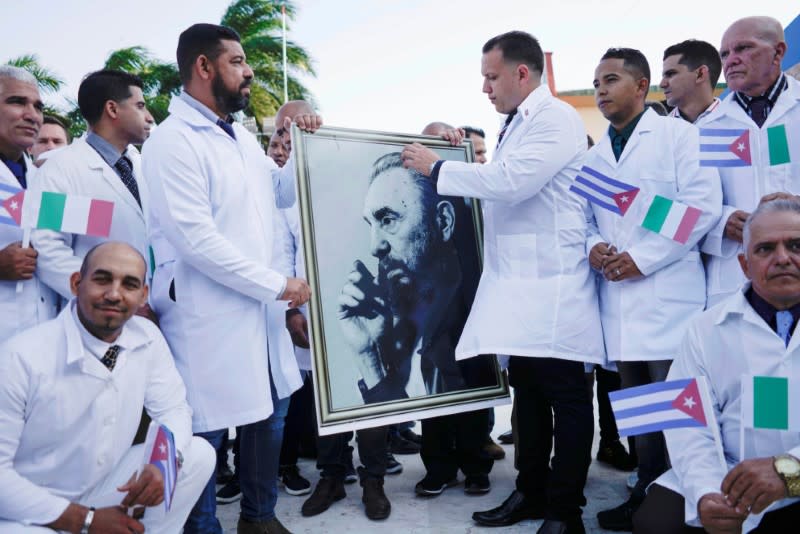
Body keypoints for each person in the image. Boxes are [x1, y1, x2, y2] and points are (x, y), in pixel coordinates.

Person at [402, 30, 605, 534]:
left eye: (492, 77)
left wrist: (438, 168)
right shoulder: (515, 124)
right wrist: (456, 158)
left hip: (554, 287)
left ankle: (564, 511)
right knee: (530, 400)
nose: (486, 89)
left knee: (568, 403)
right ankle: (530, 492)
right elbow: (500, 178)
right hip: (520, 289)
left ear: (522, 73)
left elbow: (512, 182)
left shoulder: (554, 118)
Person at [141, 23, 320, 534]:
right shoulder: (172, 142)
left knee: (271, 416)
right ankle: (200, 529)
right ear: (204, 67)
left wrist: (304, 145)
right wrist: (277, 285)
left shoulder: (238, 136)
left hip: (257, 312)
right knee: (207, 432)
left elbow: (280, 195)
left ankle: (259, 519)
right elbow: (196, 240)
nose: (248, 72)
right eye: (239, 62)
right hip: (209, 314)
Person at [585, 47, 721, 531]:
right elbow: (587, 218)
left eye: (612, 79)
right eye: (597, 81)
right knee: (639, 411)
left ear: (641, 86)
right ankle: (646, 491)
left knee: (679, 411)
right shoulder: (598, 155)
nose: (601, 89)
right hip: (619, 300)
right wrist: (595, 246)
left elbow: (702, 208)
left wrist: (642, 258)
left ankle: (681, 499)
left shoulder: (678, 136)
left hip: (667, 297)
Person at [0, 241, 215, 533]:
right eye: (102, 279)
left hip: (99, 488)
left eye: (129, 284)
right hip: (26, 509)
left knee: (197, 455)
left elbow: (174, 409)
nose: (114, 294)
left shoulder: (147, 336)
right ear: (76, 283)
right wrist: (86, 521)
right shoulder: (20, 357)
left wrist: (162, 461)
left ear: (143, 296)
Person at [635, 198, 800, 533]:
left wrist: (788, 471)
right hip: (732, 474)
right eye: (765, 249)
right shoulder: (705, 329)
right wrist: (708, 493)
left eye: (796, 245)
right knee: (656, 521)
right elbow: (687, 424)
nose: (783, 258)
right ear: (744, 264)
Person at [699, 16, 800, 308]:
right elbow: (686, 204)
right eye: (725, 54)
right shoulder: (706, 129)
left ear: (778, 52)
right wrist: (721, 221)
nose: (731, 61)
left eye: (743, 48)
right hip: (732, 276)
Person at [33, 70, 155, 303]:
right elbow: (48, 249)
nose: (149, 117)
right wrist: (111, 296)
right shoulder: (60, 169)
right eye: (140, 106)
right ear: (112, 109)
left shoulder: (140, 165)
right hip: (98, 316)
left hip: (151, 307)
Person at [0, 66, 58, 340]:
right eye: (16, 102)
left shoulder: (45, 180)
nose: (32, 115)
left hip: (43, 339)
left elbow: (78, 241)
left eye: (37, 106)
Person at [459, 124, 505, 462]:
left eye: (484, 153)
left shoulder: (493, 190)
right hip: (454, 296)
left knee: (486, 371)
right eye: (475, 153)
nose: (482, 159)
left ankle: (483, 436)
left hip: (489, 293)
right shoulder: (451, 187)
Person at [660, 39, 722, 124]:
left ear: (700, 74)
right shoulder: (659, 130)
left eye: (670, 74)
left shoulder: (741, 124)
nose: (662, 84)